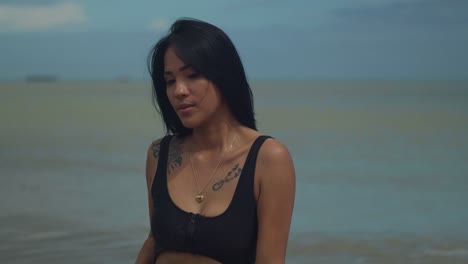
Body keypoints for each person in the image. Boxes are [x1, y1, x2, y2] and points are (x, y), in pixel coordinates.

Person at [135, 18, 296, 264]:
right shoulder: (159, 154)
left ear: (223, 76)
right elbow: (153, 240)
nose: (179, 91)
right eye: (170, 81)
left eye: (192, 75)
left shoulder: (269, 159)